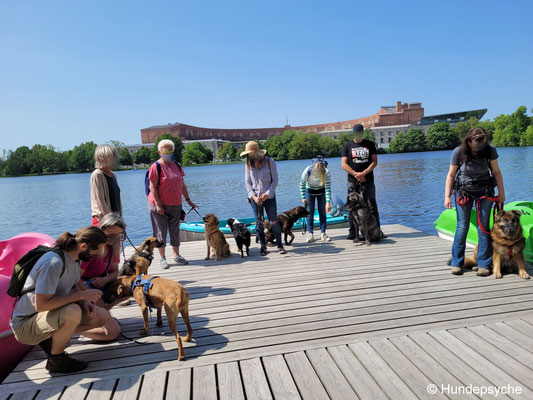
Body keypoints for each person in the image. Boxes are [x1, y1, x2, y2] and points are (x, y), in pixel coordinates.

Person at [10, 226, 120, 373]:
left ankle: (54, 337)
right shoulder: (53, 263)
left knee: (102, 316)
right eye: (97, 250)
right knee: (72, 311)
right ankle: (57, 360)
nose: (99, 255)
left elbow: (73, 286)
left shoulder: (75, 259)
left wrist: (85, 303)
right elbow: (41, 305)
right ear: (83, 246)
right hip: (25, 324)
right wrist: (81, 296)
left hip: (47, 315)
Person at [444, 127, 505, 276]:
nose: (480, 145)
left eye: (483, 141)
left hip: (485, 192)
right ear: (469, 140)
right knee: (462, 227)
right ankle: (456, 262)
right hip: (464, 191)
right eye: (477, 142)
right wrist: (447, 196)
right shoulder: (459, 151)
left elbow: (496, 171)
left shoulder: (490, 150)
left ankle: (484, 264)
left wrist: (501, 193)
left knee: (483, 227)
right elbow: (451, 175)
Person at [148, 139, 197, 269]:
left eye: (170, 150)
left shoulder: (177, 165)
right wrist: (158, 205)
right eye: (165, 150)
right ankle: (162, 258)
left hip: (176, 204)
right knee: (161, 232)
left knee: (175, 231)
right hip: (159, 205)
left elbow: (182, 184)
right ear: (159, 152)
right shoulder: (155, 167)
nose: (168, 152)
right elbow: (152, 187)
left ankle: (176, 255)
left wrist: (188, 200)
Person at [242, 141, 287, 255]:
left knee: (274, 222)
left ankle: (280, 245)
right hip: (255, 198)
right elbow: (248, 183)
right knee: (259, 223)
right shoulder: (248, 165)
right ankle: (263, 246)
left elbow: (275, 181)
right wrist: (253, 196)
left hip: (269, 197)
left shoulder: (269, 162)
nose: (249, 156)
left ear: (257, 152)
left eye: (250, 153)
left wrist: (267, 193)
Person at [341, 124, 384, 239]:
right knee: (351, 206)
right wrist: (355, 174)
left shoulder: (370, 144)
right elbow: (344, 164)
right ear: (353, 133)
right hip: (352, 181)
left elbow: (374, 162)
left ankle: (378, 231)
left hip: (368, 180)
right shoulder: (347, 146)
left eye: (360, 132)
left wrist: (363, 173)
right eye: (356, 132)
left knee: (371, 205)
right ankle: (353, 232)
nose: (358, 134)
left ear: (363, 132)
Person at [79, 213, 126, 310]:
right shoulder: (92, 248)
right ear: (102, 230)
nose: (114, 239)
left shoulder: (113, 247)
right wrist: (93, 296)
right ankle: (101, 313)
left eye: (118, 235)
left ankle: (104, 311)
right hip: (83, 286)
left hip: (101, 284)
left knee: (128, 286)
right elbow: (74, 279)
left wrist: (105, 279)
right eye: (111, 235)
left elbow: (115, 271)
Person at [300, 156, 332, 243]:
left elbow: (328, 188)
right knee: (309, 213)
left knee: (322, 211)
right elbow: (302, 184)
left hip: (322, 191)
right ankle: (311, 234)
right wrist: (303, 197)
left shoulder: (327, 173)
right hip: (309, 191)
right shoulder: (307, 170)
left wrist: (328, 202)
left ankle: (323, 233)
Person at [90, 144, 122, 226]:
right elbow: (100, 201)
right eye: (112, 155)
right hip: (103, 221)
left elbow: (117, 200)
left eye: (115, 155)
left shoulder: (113, 175)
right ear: (101, 157)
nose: (115, 157)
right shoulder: (97, 175)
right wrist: (111, 221)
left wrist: (120, 221)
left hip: (115, 220)